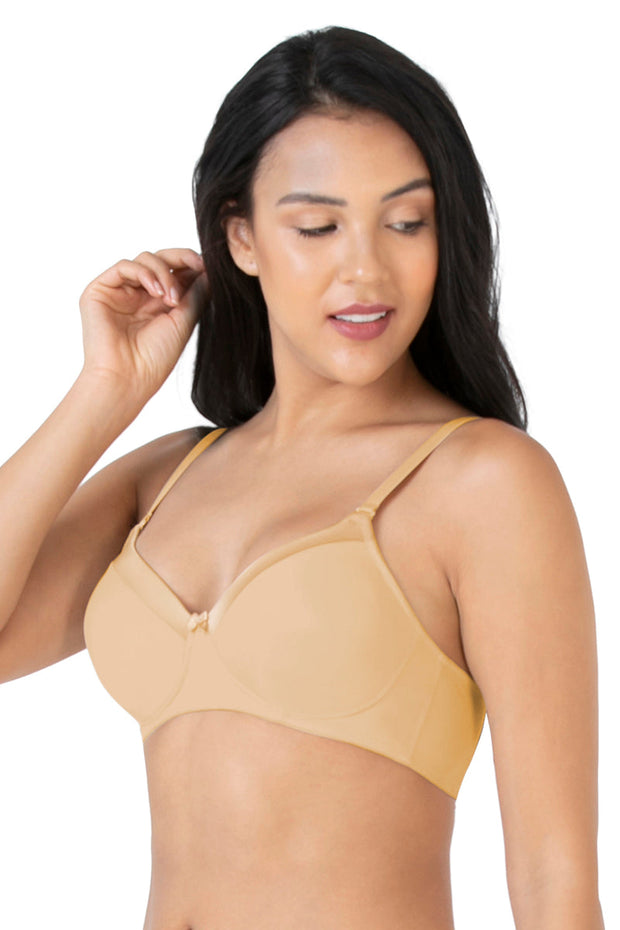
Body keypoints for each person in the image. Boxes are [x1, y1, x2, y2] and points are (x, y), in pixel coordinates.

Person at [0, 24, 604, 930]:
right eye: (318, 227)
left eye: (407, 222)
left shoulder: (483, 483)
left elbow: (557, 885)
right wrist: (104, 391)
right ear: (240, 237)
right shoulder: (168, 476)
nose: (366, 269)